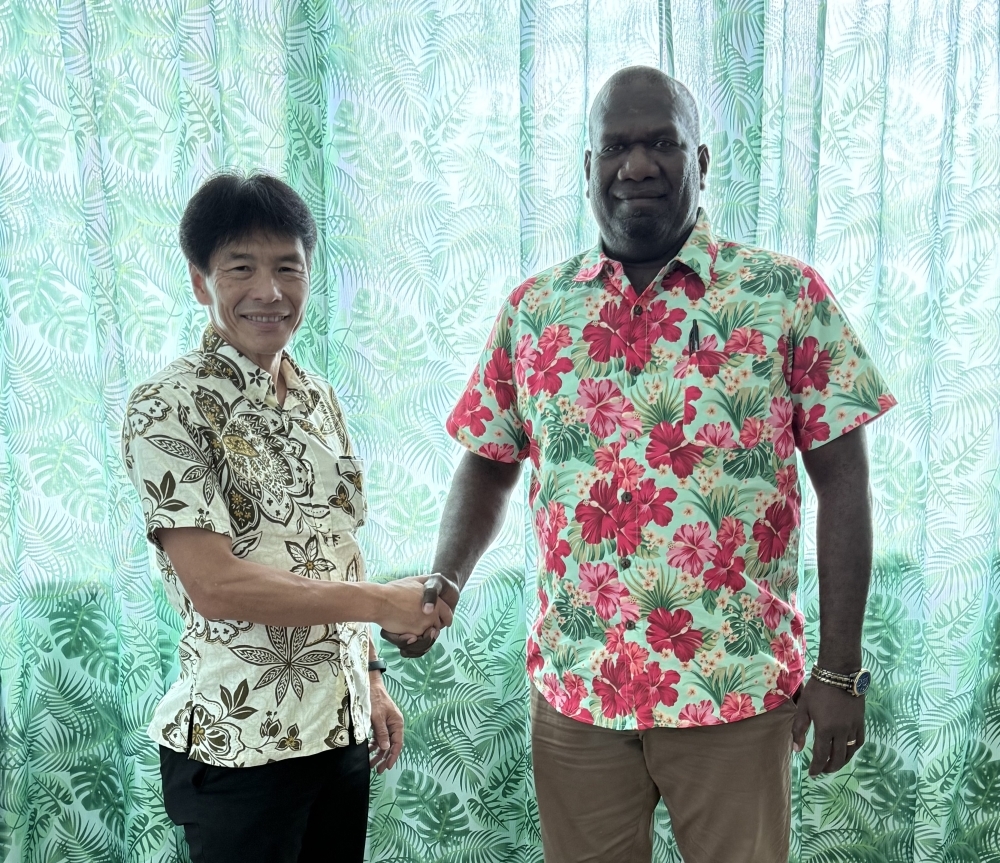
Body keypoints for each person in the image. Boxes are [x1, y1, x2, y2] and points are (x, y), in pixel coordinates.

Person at [382, 67, 896, 862]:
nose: (639, 165)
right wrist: (445, 578)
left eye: (662, 142)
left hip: (735, 690)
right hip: (579, 690)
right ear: (587, 166)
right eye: (616, 146)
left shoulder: (784, 296)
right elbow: (488, 460)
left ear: (703, 159)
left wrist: (840, 671)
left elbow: (845, 484)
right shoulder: (535, 310)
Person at [122, 173, 456, 863]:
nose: (268, 291)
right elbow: (217, 584)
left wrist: (370, 678)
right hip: (240, 746)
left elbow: (338, 545)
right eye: (240, 268)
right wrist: (383, 603)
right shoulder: (167, 404)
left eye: (287, 268)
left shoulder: (317, 395)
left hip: (336, 733)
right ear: (199, 280)